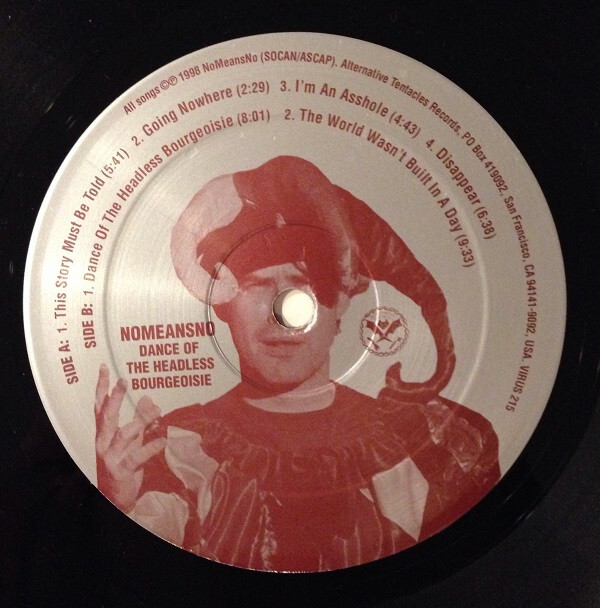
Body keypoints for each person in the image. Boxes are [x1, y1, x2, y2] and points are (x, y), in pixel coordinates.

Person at [95, 156, 500, 572]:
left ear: (343, 300)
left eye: (302, 285)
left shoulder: (431, 442)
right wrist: (117, 509)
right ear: (222, 303)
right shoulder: (168, 448)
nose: (281, 311)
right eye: (256, 285)